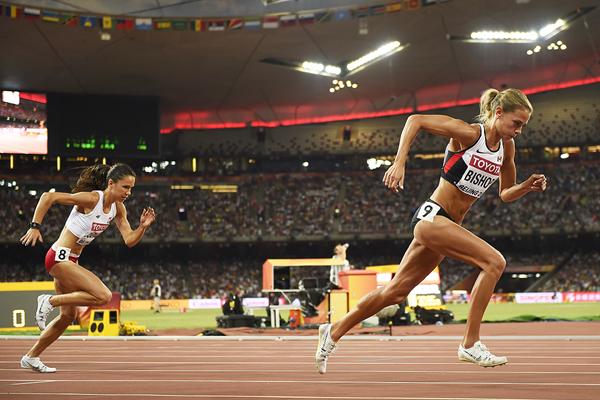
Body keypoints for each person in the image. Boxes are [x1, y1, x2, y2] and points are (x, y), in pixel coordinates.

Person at [315, 88, 547, 373]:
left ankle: (333, 331)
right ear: (498, 113)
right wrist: (399, 162)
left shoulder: (506, 149)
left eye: (523, 125)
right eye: (516, 123)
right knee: (495, 262)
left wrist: (526, 186)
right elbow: (415, 120)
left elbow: (505, 193)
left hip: (447, 226)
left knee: (395, 293)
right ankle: (470, 343)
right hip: (433, 218)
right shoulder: (468, 134)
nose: (519, 131)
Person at [19, 163, 155, 373]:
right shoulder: (92, 199)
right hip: (58, 258)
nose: (128, 192)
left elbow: (129, 240)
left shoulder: (118, 208)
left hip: (71, 261)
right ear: (111, 183)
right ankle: (49, 300)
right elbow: (48, 196)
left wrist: (142, 228)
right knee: (103, 296)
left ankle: (31, 356)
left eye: (131, 188)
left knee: (67, 317)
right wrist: (35, 226)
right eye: (125, 187)